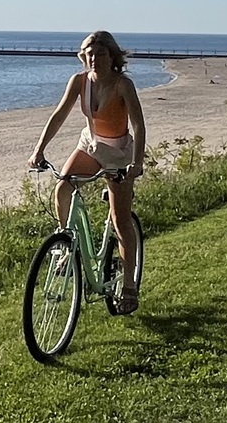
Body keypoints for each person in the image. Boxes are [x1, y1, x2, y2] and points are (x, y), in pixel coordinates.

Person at [27, 31, 147, 315]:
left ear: (112, 57)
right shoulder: (79, 82)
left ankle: (128, 286)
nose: (94, 59)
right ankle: (66, 247)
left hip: (118, 152)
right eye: (89, 54)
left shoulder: (122, 85)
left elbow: (139, 126)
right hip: (91, 144)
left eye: (101, 54)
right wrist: (38, 150)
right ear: (84, 57)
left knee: (120, 221)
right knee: (63, 187)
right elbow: (59, 115)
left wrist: (137, 164)